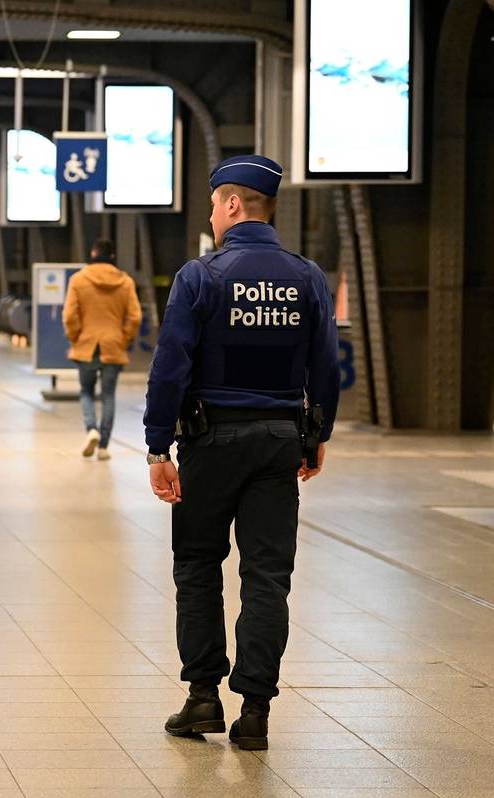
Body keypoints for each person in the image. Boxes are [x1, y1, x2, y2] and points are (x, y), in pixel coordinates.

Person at [145, 155, 339, 752]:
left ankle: (203, 697)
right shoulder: (307, 277)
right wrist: (316, 435)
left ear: (232, 205)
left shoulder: (200, 277)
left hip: (210, 441)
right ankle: (255, 711)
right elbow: (324, 366)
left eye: (213, 204)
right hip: (279, 441)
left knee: (198, 565)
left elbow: (170, 366)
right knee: (267, 575)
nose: (211, 215)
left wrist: (157, 446)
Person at [63, 238, 142, 461]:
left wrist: (76, 337)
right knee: (108, 395)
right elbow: (135, 316)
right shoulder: (125, 281)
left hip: (86, 344)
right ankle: (104, 447)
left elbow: (69, 316)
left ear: (93, 253)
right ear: (113, 256)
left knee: (86, 392)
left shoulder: (79, 279)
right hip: (114, 345)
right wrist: (123, 338)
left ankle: (91, 429)